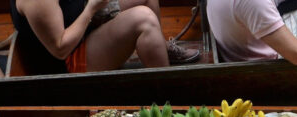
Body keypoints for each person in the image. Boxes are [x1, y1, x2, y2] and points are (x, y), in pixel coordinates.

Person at [11, 0, 195, 74]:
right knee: (144, 20)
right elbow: (60, 48)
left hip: (82, 28)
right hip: (66, 63)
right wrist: (91, 8)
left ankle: (161, 48)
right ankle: (167, 103)